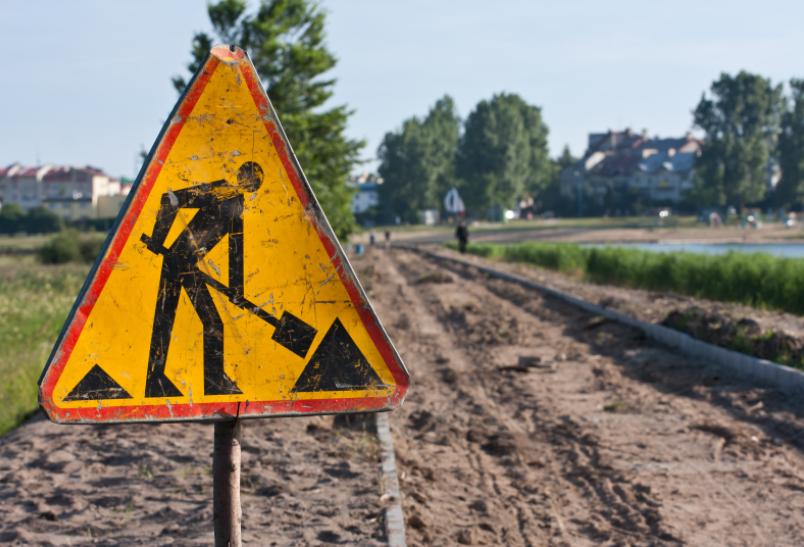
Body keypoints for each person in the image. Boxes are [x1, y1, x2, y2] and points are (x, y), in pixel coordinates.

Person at [140, 161, 264, 398]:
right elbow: (170, 199)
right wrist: (159, 235)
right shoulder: (220, 190)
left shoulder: (238, 206)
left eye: (256, 182)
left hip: (187, 266)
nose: (252, 184)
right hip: (177, 263)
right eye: (250, 177)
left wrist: (237, 290)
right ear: (241, 175)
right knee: (182, 321)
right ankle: (206, 382)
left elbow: (235, 249)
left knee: (173, 320)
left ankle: (169, 380)